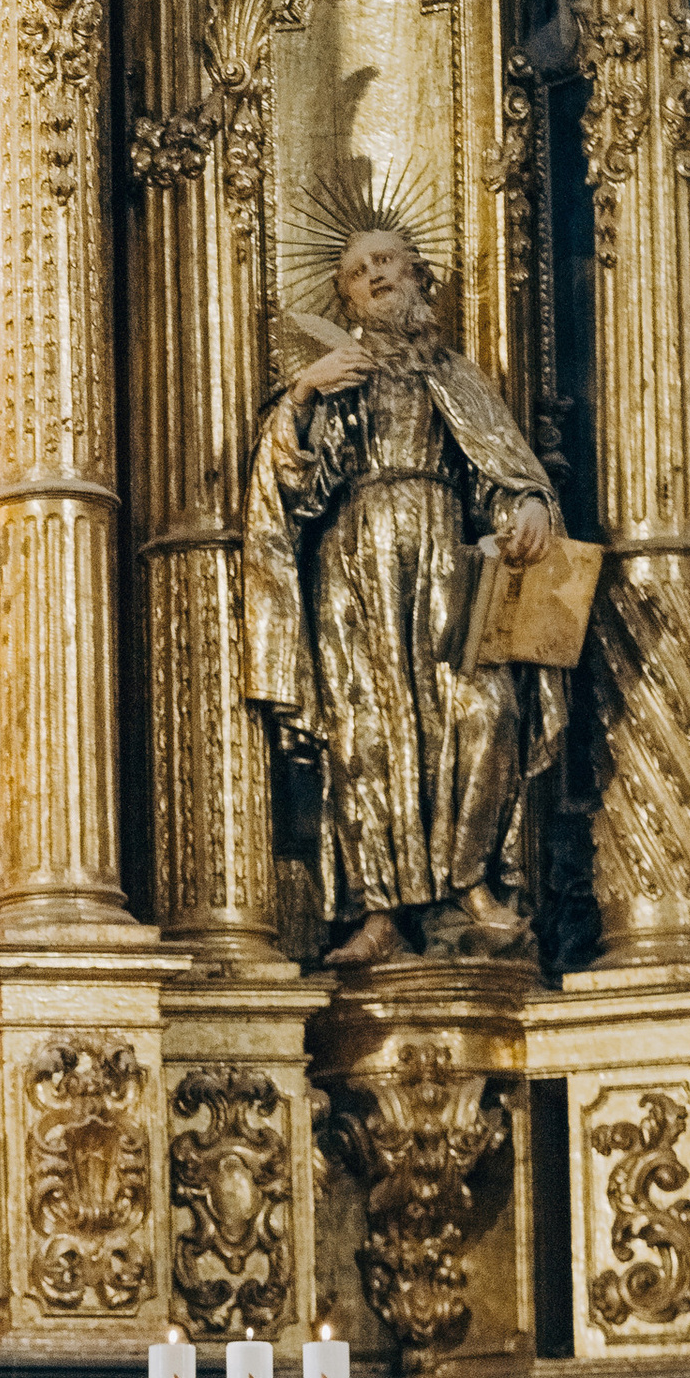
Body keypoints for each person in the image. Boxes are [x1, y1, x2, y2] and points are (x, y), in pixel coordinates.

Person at [243, 217, 563, 971]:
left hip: (448, 557)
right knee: (365, 731)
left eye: (388, 261)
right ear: (346, 296)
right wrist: (303, 394)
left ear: (420, 274)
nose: (377, 276)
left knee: (487, 713)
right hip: (355, 562)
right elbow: (291, 490)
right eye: (358, 272)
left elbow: (503, 467)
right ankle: (378, 908)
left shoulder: (454, 373)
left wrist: (527, 504)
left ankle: (469, 886)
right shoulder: (329, 378)